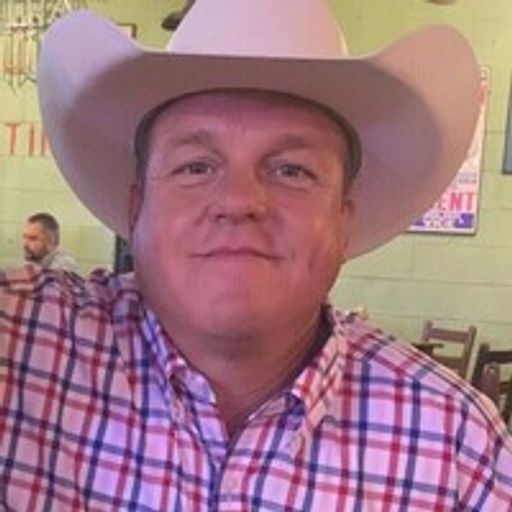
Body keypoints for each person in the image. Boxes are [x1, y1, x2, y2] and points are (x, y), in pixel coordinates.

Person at [1, 1, 511, 510]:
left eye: (292, 171)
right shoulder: (20, 340)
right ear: (137, 209)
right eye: (195, 167)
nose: (238, 201)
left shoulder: (459, 451)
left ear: (343, 221)